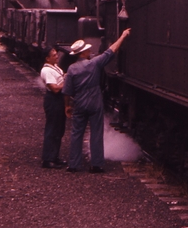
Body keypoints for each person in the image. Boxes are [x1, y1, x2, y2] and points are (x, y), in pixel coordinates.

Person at [62, 29, 131, 173]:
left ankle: (74, 164)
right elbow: (111, 51)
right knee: (96, 133)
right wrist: (123, 36)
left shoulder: (72, 69)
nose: (89, 52)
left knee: (76, 133)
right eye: (87, 50)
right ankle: (97, 164)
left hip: (79, 102)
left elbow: (67, 91)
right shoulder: (94, 63)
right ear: (82, 53)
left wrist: (67, 106)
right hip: (95, 102)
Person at [39, 46, 67, 169]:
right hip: (53, 100)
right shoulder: (46, 71)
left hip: (59, 100)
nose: (57, 56)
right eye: (54, 55)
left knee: (59, 130)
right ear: (47, 58)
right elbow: (55, 89)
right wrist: (66, 81)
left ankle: (54, 157)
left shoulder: (54, 67)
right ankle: (47, 159)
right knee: (52, 130)